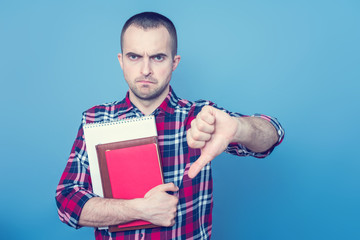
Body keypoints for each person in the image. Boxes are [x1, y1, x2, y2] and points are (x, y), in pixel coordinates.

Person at [56, 12, 284, 240]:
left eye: (158, 57)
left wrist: (239, 128)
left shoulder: (201, 117)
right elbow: (67, 202)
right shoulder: (96, 119)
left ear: (174, 62)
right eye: (134, 57)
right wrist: (139, 209)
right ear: (121, 60)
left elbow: (273, 134)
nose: (145, 70)